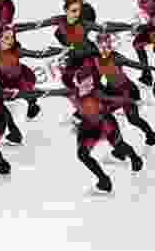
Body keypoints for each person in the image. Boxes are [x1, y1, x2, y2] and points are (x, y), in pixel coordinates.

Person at [20, 65, 144, 193]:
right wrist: (20, 93)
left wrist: (130, 100)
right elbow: (46, 92)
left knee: (119, 145)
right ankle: (104, 180)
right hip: (89, 127)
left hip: (106, 124)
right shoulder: (70, 92)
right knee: (83, 154)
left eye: (91, 82)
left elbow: (116, 99)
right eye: (86, 83)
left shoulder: (97, 93)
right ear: (78, 83)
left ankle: (135, 158)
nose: (90, 85)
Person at [95, 30, 155, 147]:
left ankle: (151, 134)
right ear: (97, 46)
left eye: (108, 45)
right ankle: (117, 144)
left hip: (127, 91)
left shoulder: (117, 58)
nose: (106, 49)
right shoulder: (96, 59)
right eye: (102, 46)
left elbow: (135, 64)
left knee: (133, 119)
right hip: (111, 90)